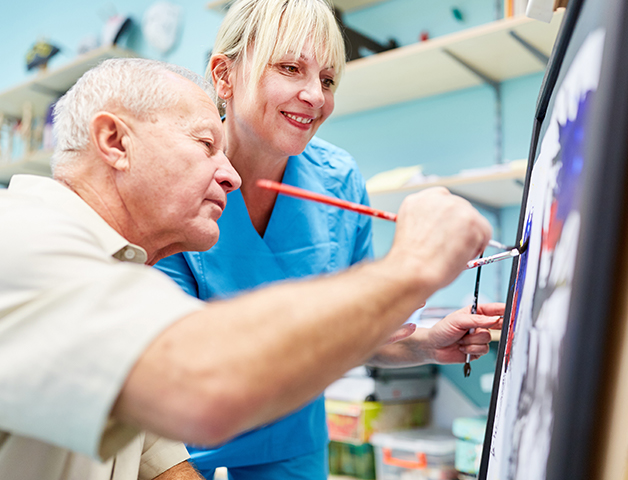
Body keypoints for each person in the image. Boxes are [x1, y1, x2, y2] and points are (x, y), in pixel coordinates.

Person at [0, 57, 499, 480]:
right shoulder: (23, 243)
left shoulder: (118, 270)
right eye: (204, 144)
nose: (231, 175)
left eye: (328, 80)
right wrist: (413, 264)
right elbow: (201, 389)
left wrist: (415, 338)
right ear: (114, 140)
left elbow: (157, 462)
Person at [154, 0, 505, 479]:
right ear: (224, 75)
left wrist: (422, 344)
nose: (315, 96)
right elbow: (167, 366)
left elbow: (350, 337)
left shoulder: (338, 179)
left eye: (327, 80)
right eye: (290, 68)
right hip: (181, 452)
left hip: (294, 449)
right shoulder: (173, 185)